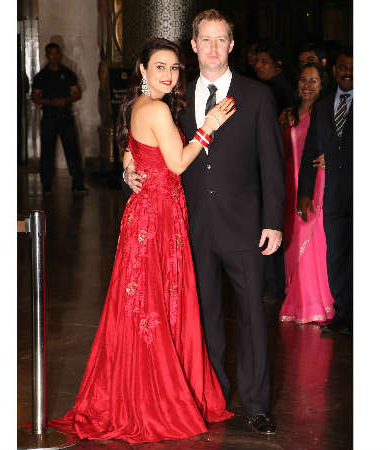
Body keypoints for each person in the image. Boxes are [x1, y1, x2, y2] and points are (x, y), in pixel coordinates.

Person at [48, 38, 236, 443]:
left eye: (174, 68)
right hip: (158, 218)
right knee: (154, 304)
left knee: (142, 305)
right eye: (160, 67)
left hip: (145, 216)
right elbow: (178, 163)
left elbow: (131, 154)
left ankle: (138, 391)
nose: (169, 75)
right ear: (143, 70)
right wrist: (208, 127)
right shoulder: (158, 109)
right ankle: (154, 399)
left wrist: (127, 171)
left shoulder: (136, 106)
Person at [176, 9, 285, 434]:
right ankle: (212, 398)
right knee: (204, 316)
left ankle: (257, 405)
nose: (213, 48)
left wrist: (273, 221)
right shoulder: (177, 97)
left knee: (253, 317)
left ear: (232, 45)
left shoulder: (256, 96)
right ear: (193, 45)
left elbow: (272, 164)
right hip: (194, 225)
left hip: (245, 226)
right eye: (205, 39)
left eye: (221, 39)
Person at [297, 47, 353, 336]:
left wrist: (337, 158)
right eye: (343, 67)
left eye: (353, 67)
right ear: (334, 70)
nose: (348, 72)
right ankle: (343, 316)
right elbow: (310, 149)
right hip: (334, 197)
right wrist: (304, 192)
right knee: (337, 257)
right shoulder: (322, 106)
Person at [278, 63, 335, 325]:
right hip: (288, 183)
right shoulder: (287, 114)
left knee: (312, 240)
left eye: (313, 80)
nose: (307, 85)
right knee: (291, 241)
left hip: (314, 182)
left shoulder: (327, 112)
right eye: (303, 80)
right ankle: (297, 301)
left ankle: (317, 302)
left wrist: (331, 157)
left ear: (323, 84)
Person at [32, 43, 88, 193]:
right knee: (47, 151)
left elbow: (77, 93)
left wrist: (66, 100)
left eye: (57, 53)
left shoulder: (68, 73)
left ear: (60, 54)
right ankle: (46, 184)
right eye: (51, 54)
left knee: (72, 150)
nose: (54, 56)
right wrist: (49, 102)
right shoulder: (41, 76)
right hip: (49, 116)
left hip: (65, 116)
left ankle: (77, 184)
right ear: (47, 55)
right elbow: (34, 96)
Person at [254, 39, 295, 115]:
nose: (257, 65)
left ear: (278, 65)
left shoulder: (280, 90)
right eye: (257, 61)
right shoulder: (268, 85)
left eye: (264, 62)